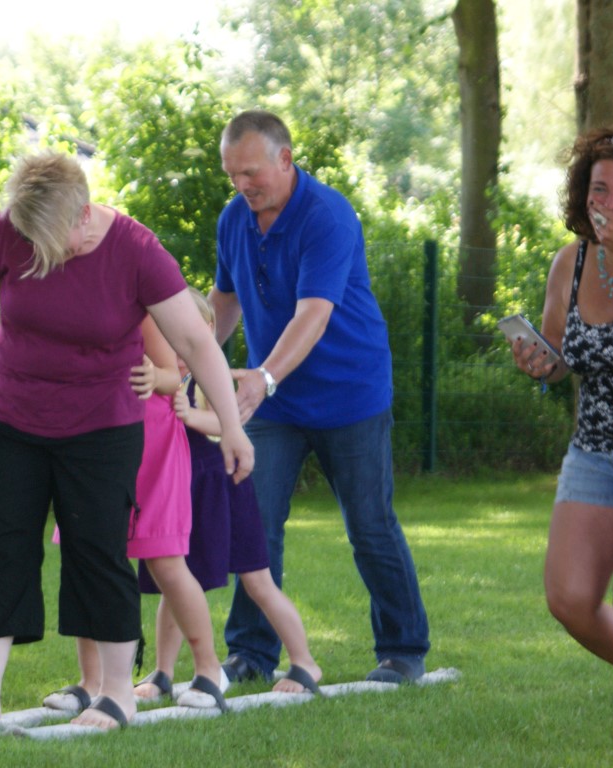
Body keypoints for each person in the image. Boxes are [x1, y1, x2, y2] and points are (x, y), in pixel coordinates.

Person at [0, 152, 254, 732]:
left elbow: (196, 343)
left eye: (60, 240)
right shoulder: (10, 231)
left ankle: (115, 696)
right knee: (1, 546)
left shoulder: (134, 249)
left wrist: (230, 426)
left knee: (96, 549)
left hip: (102, 424)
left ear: (84, 214)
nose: (47, 253)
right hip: (9, 415)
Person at [208, 109, 430, 686]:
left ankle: (403, 649)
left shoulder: (327, 214)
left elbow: (315, 313)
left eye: (251, 172)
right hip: (275, 405)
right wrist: (194, 358)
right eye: (232, 175)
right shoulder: (234, 219)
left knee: (370, 525)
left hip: (349, 397)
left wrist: (263, 376)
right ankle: (251, 654)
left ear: (286, 158)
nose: (242, 186)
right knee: (253, 523)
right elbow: (225, 300)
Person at [509, 126, 613, 764]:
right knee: (569, 598)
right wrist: (541, 363)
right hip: (594, 449)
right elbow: (562, 355)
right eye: (601, 190)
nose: (612, 204)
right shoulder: (569, 263)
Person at [135, 288, 323, 697]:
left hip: (225, 490)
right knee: (174, 579)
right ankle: (162, 672)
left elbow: (228, 425)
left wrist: (192, 416)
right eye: (164, 336)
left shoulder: (210, 374)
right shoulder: (163, 375)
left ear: (205, 330)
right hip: (183, 492)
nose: (172, 346)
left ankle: (305, 662)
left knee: (258, 581)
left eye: (180, 335)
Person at [44, 316, 230, 714]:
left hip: (153, 447)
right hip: (89, 440)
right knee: (88, 560)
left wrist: (154, 376)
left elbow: (172, 375)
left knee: (166, 563)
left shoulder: (140, 298)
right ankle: (91, 682)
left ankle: (208, 670)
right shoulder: (59, 299)